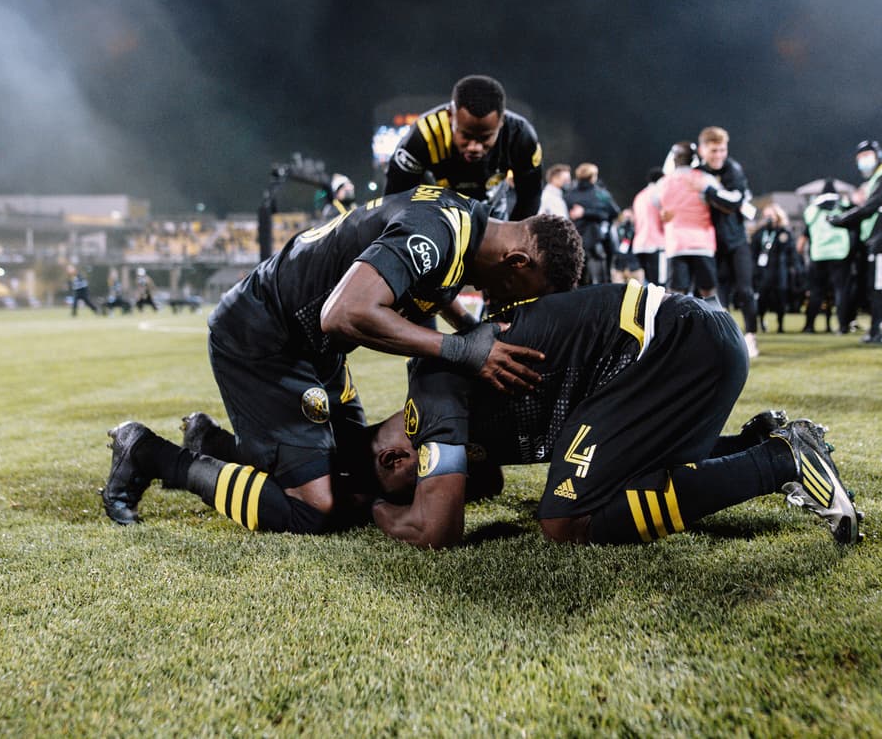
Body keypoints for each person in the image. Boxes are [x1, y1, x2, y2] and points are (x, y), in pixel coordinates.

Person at [101, 185, 585, 530]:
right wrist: (461, 349)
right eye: (521, 294)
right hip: (263, 336)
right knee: (318, 507)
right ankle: (148, 452)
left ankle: (215, 442)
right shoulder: (436, 231)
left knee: (358, 466)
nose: (509, 305)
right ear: (517, 262)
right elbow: (344, 313)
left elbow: (432, 286)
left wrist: (470, 329)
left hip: (312, 345)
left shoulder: (465, 223)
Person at [371, 281, 863, 549]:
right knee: (624, 477)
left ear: (396, 457)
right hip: (697, 338)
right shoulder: (455, 410)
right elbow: (489, 482)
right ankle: (758, 443)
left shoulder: (428, 391)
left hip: (672, 346)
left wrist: (375, 510)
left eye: (414, 485)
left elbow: (438, 530)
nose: (426, 486)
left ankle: (783, 460)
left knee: (564, 521)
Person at [385, 75, 543, 220]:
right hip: (440, 213)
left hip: (492, 212)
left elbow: (530, 196)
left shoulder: (520, 135)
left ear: (501, 122)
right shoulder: (425, 134)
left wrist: (514, 240)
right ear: (450, 117)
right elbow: (396, 198)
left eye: (485, 137)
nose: (475, 147)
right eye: (466, 136)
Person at [829, 140, 882, 343]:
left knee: (880, 285)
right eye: (859, 158)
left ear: (878, 154)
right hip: (879, 236)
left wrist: (842, 220)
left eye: (866, 155)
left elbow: (871, 206)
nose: (862, 161)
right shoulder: (879, 176)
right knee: (878, 284)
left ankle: (881, 331)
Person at [697, 127, 760, 358]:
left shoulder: (733, 169)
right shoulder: (696, 171)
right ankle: (722, 340)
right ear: (703, 149)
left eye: (722, 149)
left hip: (736, 241)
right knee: (715, 295)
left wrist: (710, 192)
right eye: (714, 150)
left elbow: (735, 201)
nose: (719, 155)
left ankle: (751, 337)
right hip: (710, 244)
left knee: (745, 290)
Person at [658, 142, 717, 298]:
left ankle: (676, 322)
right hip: (702, 242)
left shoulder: (663, 182)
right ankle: (715, 321)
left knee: (677, 295)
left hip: (676, 243)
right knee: (708, 292)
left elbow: (656, 206)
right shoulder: (706, 179)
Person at [800, 180, 853, 333]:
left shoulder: (813, 209)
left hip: (819, 254)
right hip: (839, 253)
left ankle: (809, 325)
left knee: (816, 292)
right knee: (840, 291)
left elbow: (807, 219)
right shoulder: (841, 206)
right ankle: (843, 326)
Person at [565, 163, 620, 285]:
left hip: (575, 239)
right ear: (593, 177)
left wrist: (584, 212)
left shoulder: (569, 195)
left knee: (578, 280)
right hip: (598, 241)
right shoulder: (600, 194)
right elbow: (614, 212)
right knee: (602, 280)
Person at [752, 203, 795, 333]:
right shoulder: (760, 233)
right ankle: (761, 322)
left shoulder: (784, 232)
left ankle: (780, 325)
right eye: (766, 216)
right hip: (763, 271)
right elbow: (753, 251)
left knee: (780, 298)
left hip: (779, 271)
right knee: (762, 298)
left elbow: (789, 251)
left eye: (771, 215)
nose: (769, 218)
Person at [631, 167, 666, 285]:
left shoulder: (639, 196)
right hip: (657, 244)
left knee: (649, 284)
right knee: (660, 285)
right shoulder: (660, 194)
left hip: (640, 245)